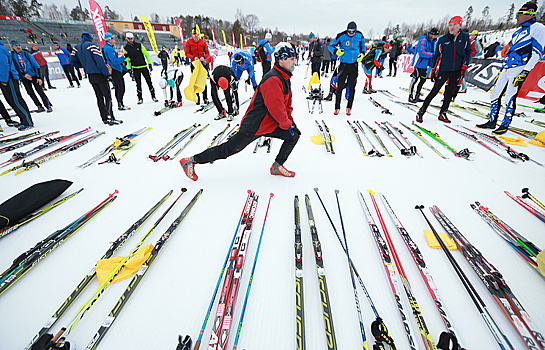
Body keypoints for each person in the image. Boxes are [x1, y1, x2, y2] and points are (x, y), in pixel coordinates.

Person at [179, 42, 300, 181]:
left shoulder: (285, 77)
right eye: (291, 59)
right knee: (228, 150)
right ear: (282, 60)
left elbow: (287, 104)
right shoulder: (272, 79)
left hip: (270, 124)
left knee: (294, 135)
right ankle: (190, 161)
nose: (294, 62)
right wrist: (286, 123)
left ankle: (277, 166)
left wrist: (289, 121)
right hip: (255, 125)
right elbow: (276, 109)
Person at [476, 2, 545, 135]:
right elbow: (510, 51)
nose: (516, 17)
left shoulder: (538, 28)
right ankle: (492, 120)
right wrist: (502, 67)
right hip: (507, 67)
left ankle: (505, 124)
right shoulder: (518, 31)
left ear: (530, 14)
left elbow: (537, 52)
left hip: (519, 68)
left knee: (510, 97)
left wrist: (526, 71)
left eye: (519, 14)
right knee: (495, 94)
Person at [416, 16, 471, 123]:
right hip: (444, 70)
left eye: (454, 25)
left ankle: (443, 113)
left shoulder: (465, 37)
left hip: (457, 70)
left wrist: (464, 67)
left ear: (460, 25)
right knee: (434, 91)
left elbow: (468, 52)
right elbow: (437, 55)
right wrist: (432, 70)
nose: (452, 27)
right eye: (450, 25)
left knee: (449, 93)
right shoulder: (443, 39)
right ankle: (421, 111)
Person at [70, 32, 121, 125]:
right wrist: (106, 74)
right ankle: (110, 117)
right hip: (99, 74)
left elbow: (72, 61)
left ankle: (104, 118)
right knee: (107, 96)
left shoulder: (76, 47)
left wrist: (85, 66)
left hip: (90, 75)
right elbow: (99, 61)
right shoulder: (92, 46)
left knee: (99, 97)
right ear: (90, 38)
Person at [328, 21, 366, 115]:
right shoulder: (341, 36)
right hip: (344, 65)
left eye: (353, 32)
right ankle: (337, 108)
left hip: (354, 65)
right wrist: (336, 52)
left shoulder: (360, 35)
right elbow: (330, 46)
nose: (351, 33)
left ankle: (349, 107)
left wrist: (362, 54)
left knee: (352, 87)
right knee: (339, 87)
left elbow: (363, 47)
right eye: (349, 31)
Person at [10, 40, 52, 113]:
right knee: (30, 92)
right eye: (16, 45)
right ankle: (39, 106)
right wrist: (23, 75)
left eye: (18, 45)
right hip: (24, 77)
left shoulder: (26, 54)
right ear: (13, 47)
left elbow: (36, 65)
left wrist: (39, 77)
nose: (18, 47)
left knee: (40, 91)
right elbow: (14, 68)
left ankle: (47, 105)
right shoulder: (12, 56)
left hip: (34, 75)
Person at [0, 40, 33, 130]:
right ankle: (23, 120)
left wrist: (3, 79)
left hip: (8, 78)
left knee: (16, 100)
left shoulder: (0, 49)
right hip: (5, 78)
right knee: (11, 101)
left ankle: (27, 122)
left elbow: (4, 65)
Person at [124, 32, 158, 104]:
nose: (131, 40)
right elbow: (126, 60)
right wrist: (129, 69)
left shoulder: (139, 45)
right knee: (138, 84)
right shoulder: (125, 48)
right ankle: (140, 98)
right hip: (135, 68)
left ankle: (153, 96)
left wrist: (149, 64)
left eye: (132, 38)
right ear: (127, 39)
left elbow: (146, 54)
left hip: (143, 66)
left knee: (149, 82)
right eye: (129, 39)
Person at [408, 28, 439, 103]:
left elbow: (432, 51)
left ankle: (417, 96)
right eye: (435, 36)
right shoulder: (423, 40)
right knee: (415, 79)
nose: (436, 37)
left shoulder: (431, 41)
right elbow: (422, 53)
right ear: (431, 34)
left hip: (425, 65)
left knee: (422, 80)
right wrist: (433, 55)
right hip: (418, 63)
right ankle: (410, 96)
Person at [102, 32, 129, 111]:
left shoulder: (106, 47)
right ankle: (120, 104)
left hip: (114, 69)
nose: (114, 40)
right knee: (121, 87)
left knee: (118, 87)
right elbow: (115, 61)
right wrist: (124, 57)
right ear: (109, 40)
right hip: (115, 70)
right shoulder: (109, 49)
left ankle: (120, 103)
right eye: (113, 39)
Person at [184, 28, 210, 105]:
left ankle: (205, 98)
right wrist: (193, 57)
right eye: (195, 37)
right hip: (194, 63)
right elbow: (186, 53)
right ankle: (197, 98)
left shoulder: (203, 42)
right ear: (192, 35)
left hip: (202, 63)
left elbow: (208, 53)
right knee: (195, 81)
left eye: (197, 36)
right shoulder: (189, 42)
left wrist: (204, 57)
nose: (196, 38)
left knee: (203, 80)